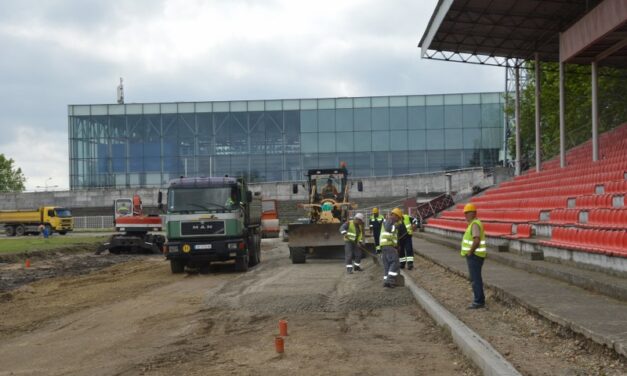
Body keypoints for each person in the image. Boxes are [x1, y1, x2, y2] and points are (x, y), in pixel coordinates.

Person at [461, 203, 487, 309]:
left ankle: (478, 301)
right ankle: (479, 299)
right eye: (465, 213)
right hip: (475, 255)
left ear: (474, 213)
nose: (466, 215)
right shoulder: (473, 224)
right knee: (476, 278)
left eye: (468, 213)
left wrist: (470, 252)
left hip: (475, 256)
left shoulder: (475, 224)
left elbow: (476, 240)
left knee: (475, 279)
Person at [380, 208, 402, 288]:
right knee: (395, 262)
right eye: (398, 218)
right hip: (388, 244)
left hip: (385, 245)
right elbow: (388, 228)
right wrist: (396, 227)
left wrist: (396, 245)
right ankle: (390, 280)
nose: (398, 220)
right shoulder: (391, 219)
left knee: (387, 265)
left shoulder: (388, 220)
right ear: (395, 215)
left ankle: (387, 282)